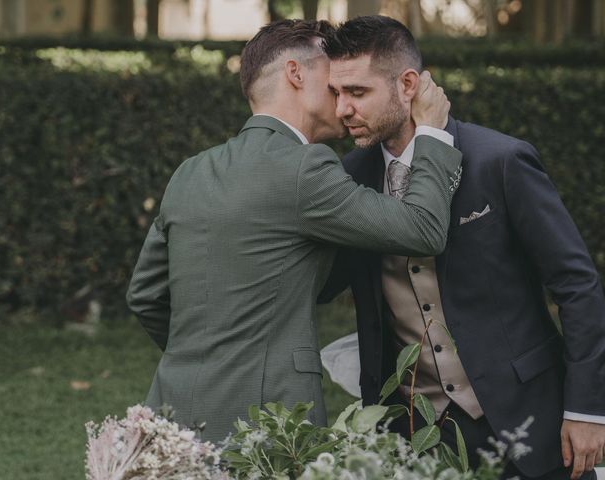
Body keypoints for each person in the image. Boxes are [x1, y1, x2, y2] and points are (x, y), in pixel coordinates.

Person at [126, 19, 462, 443]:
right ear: (295, 73)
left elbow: (145, 295)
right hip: (267, 423)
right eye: (333, 81)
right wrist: (431, 132)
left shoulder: (190, 172)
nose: (341, 99)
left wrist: (202, 361)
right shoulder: (305, 166)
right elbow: (423, 229)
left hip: (173, 411)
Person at [318, 15, 605, 479]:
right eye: (336, 94)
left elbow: (577, 286)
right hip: (413, 429)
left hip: (531, 414)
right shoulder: (350, 176)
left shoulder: (500, 161)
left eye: (357, 92)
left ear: (407, 84)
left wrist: (587, 409)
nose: (343, 109)